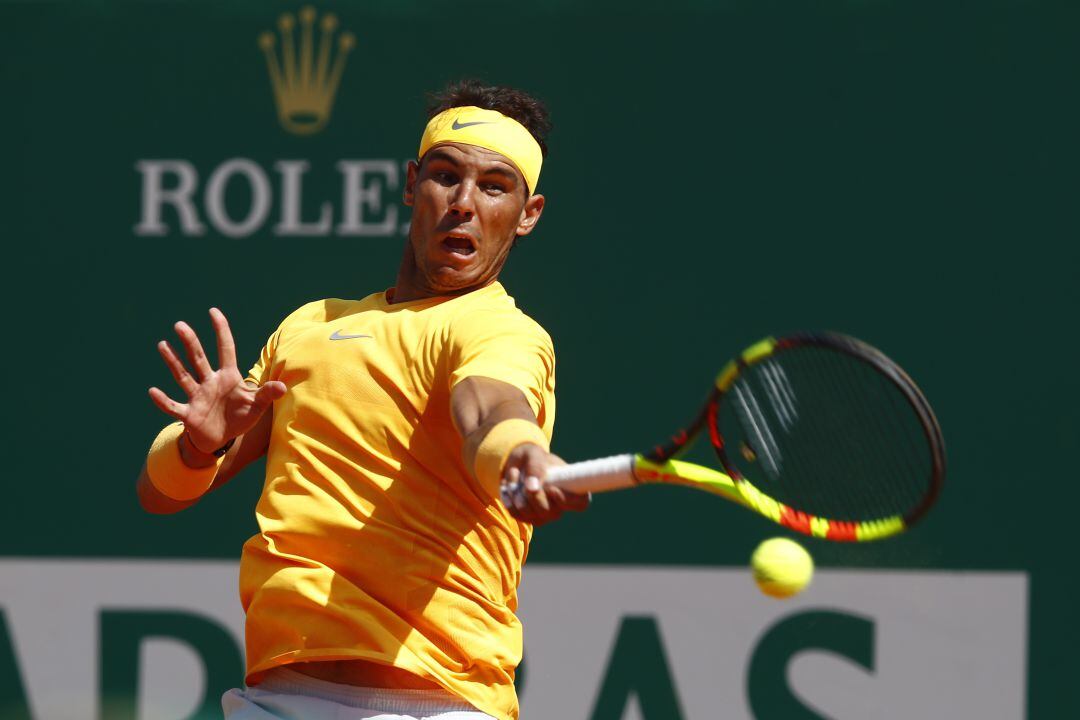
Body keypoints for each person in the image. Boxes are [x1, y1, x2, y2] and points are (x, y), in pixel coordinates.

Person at [137, 80, 588, 720]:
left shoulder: (501, 331)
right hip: (275, 699)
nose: (463, 203)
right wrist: (199, 443)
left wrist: (518, 455)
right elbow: (160, 494)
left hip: (433, 706)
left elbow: (489, 410)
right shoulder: (309, 327)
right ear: (411, 185)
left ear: (527, 213)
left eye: (493, 186)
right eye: (444, 176)